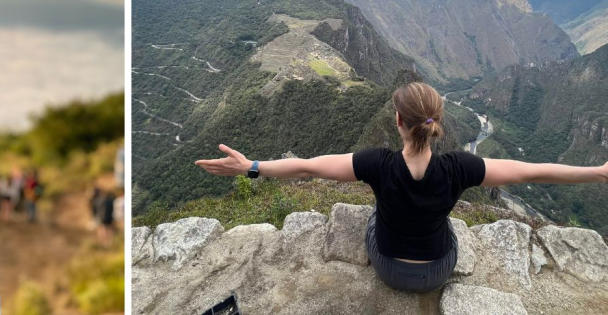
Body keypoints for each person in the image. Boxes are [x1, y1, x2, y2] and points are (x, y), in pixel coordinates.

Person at [196, 81, 608, 293]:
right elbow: (530, 172)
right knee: (445, 227)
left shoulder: (377, 163)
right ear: (436, 124)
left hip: (388, 267)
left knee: (377, 214)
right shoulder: (459, 168)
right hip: (439, 270)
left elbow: (310, 168)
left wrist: (251, 167)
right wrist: (599, 172)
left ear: (398, 121)